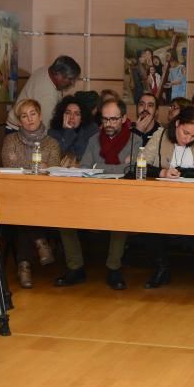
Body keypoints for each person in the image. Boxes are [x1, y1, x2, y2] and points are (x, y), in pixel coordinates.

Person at [55, 98, 132, 290]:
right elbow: (86, 169)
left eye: (114, 119)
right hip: (91, 195)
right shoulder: (93, 139)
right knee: (63, 217)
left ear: (123, 118)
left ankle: (114, 268)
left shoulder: (135, 140)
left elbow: (130, 170)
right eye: (105, 119)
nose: (109, 124)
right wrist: (115, 168)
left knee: (122, 219)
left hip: (121, 197)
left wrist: (100, 167)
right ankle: (76, 267)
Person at [141, 107, 194, 291]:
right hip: (161, 199)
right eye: (185, 132)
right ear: (177, 124)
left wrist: (179, 172)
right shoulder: (161, 135)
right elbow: (141, 164)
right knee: (147, 218)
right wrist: (163, 172)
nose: (187, 139)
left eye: (193, 136)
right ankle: (161, 268)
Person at [1, 98, 62, 288]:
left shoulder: (51, 143)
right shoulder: (10, 140)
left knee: (26, 214)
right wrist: (38, 166)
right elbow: (9, 164)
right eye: (24, 116)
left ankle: (24, 265)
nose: (29, 119)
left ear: (40, 115)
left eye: (32, 114)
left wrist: (27, 165)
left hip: (45, 197)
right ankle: (39, 242)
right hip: (16, 195)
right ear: (19, 121)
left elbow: (53, 167)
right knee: (22, 211)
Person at [7, 55, 80, 131]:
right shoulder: (46, 95)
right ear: (57, 75)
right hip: (20, 130)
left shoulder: (49, 69)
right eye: (70, 79)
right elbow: (45, 130)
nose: (72, 84)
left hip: (21, 126)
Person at [47, 95, 98, 167]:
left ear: (82, 118)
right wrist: (68, 131)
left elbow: (84, 154)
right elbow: (55, 156)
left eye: (77, 114)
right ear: (62, 115)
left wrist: (76, 163)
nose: (72, 117)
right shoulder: (53, 132)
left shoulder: (90, 130)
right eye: (68, 113)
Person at [129, 92, 161, 156]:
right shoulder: (127, 131)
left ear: (156, 111)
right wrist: (137, 132)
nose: (145, 108)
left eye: (150, 105)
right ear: (136, 108)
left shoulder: (162, 134)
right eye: (141, 104)